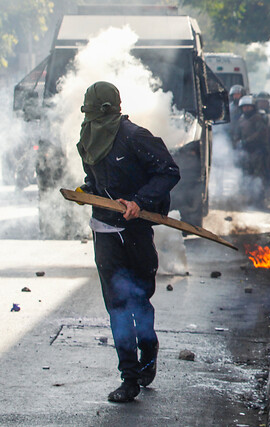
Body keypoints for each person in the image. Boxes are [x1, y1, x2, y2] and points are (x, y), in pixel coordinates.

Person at [76, 82, 180, 403]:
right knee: (117, 306)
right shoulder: (86, 139)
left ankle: (148, 347)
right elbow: (94, 180)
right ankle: (129, 377)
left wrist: (140, 200)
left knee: (139, 301)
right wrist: (87, 192)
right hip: (104, 233)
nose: (92, 124)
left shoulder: (135, 137)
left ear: (110, 110)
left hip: (135, 233)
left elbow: (168, 172)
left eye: (96, 116)